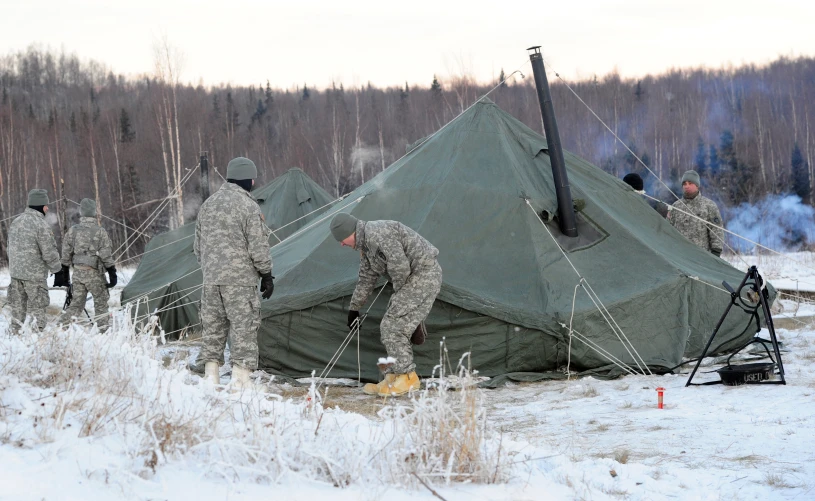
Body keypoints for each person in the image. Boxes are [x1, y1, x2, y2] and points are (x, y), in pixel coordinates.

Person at [330, 213, 442, 397]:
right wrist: (354, 308)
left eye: (342, 239)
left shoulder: (377, 233)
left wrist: (401, 300)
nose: (342, 244)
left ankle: (407, 377)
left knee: (393, 326)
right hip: (410, 280)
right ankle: (394, 375)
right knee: (388, 326)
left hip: (423, 275)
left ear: (351, 232)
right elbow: (366, 278)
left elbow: (400, 268)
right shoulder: (365, 246)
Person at [194, 157, 274, 388]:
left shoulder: (207, 205)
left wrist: (213, 269)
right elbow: (258, 246)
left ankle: (211, 379)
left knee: (213, 328)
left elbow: (198, 248)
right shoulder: (248, 206)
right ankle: (240, 383)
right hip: (240, 283)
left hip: (210, 281)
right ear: (248, 179)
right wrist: (266, 274)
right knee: (243, 328)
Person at [7, 189, 64, 332]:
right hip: (35, 278)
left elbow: (9, 248)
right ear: (40, 206)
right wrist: (58, 271)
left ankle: (15, 340)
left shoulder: (16, 222)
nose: (47, 208)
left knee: (17, 313)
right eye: (46, 205)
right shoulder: (41, 225)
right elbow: (49, 252)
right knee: (38, 313)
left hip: (15, 276)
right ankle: (37, 342)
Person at [59, 198, 116, 329]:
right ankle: (103, 331)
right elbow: (106, 255)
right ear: (94, 212)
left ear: (82, 212)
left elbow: (66, 253)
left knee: (76, 305)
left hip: (78, 273)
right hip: (94, 273)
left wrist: (65, 273)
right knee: (101, 303)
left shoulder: (73, 231)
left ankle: (60, 329)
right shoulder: (100, 231)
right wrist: (112, 273)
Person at [669, 170, 724, 256]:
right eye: (684, 184)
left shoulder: (709, 206)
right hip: (678, 256)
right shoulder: (676, 206)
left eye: (690, 183)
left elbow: (717, 230)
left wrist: (716, 253)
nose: (687, 186)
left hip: (701, 257)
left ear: (697, 185)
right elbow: (668, 229)